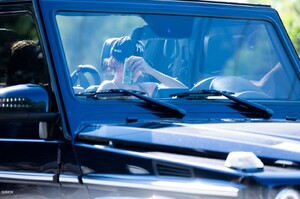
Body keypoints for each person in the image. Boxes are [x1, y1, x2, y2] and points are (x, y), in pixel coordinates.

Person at [97, 36, 187, 96]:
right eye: (129, 63)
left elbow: (184, 91)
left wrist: (150, 70)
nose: (134, 69)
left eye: (137, 64)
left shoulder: (146, 89)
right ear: (115, 62)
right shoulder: (108, 86)